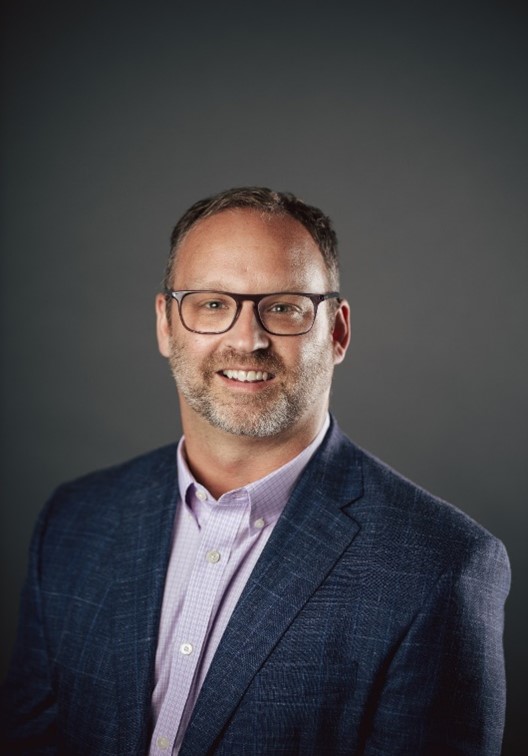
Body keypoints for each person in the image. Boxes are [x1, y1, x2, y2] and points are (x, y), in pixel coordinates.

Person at [1, 187, 510, 755]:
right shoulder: (73, 522)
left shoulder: (439, 567)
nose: (248, 339)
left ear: (337, 332)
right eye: (212, 304)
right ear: (166, 325)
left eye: (285, 306)